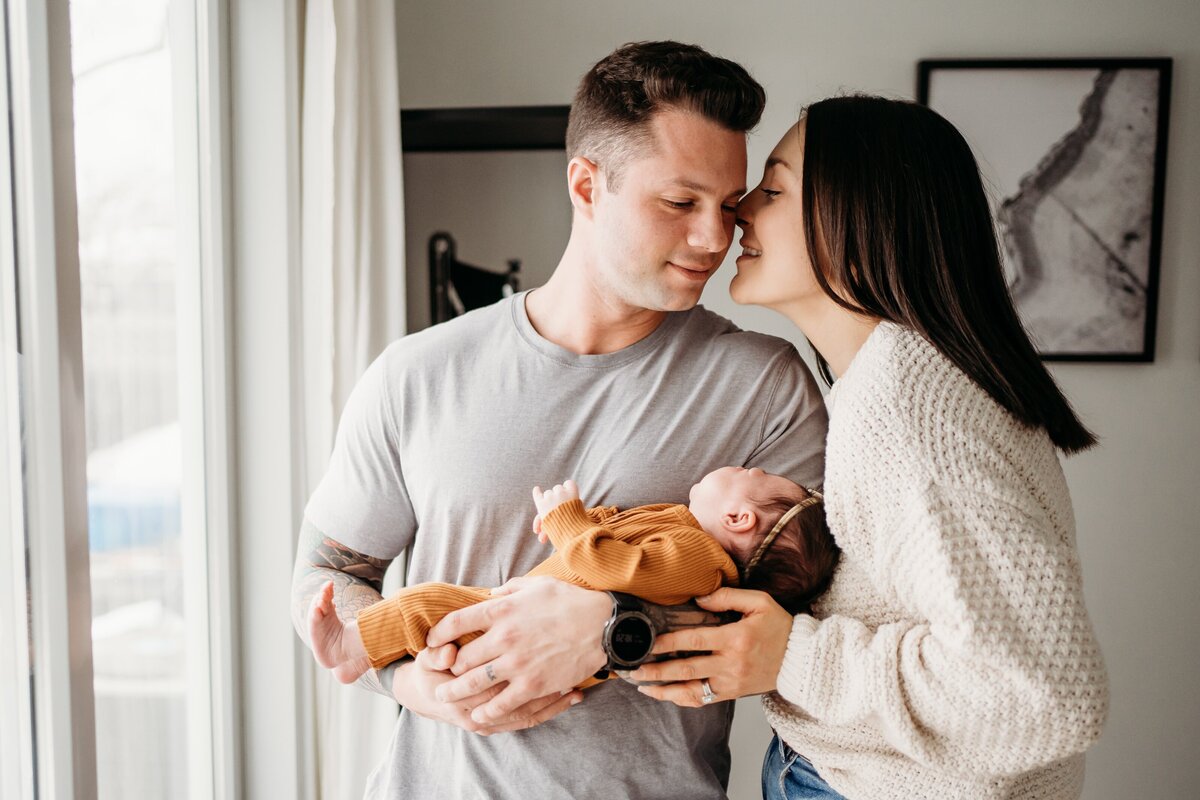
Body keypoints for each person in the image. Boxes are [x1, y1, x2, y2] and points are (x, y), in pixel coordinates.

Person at [290, 41, 829, 799]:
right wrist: (415, 684)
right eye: (680, 203)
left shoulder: (766, 386)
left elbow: (798, 625)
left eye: (728, 204)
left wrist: (609, 629)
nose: (715, 238)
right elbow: (329, 572)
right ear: (586, 184)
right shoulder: (416, 373)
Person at [629, 95, 1110, 799]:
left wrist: (792, 656)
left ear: (858, 217)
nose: (741, 215)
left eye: (774, 188)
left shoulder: (907, 409)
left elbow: (1041, 695)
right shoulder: (895, 383)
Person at [307, 469, 838, 685]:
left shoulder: (697, 558)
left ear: (739, 518)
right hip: (518, 613)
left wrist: (568, 523)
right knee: (431, 613)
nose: (743, 467)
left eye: (753, 475)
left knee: (426, 604)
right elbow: (621, 536)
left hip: (522, 629)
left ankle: (347, 645)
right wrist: (587, 521)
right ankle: (366, 654)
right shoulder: (682, 529)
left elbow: (614, 567)